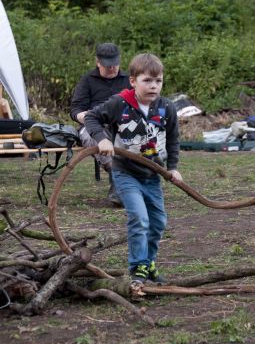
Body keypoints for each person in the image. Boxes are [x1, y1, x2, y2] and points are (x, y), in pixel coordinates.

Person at [85, 53, 182, 283]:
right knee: (139, 218)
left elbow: (173, 140)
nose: (153, 86)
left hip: (153, 174)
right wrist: (102, 139)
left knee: (158, 223)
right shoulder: (120, 103)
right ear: (133, 81)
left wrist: (174, 167)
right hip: (126, 172)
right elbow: (91, 118)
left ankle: (148, 264)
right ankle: (137, 267)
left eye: (158, 81)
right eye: (147, 81)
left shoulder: (167, 107)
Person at [70, 43, 131, 205]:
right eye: (107, 64)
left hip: (122, 124)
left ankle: (128, 184)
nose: (112, 68)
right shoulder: (87, 80)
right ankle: (117, 177)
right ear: (98, 62)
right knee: (93, 137)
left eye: (115, 64)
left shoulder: (129, 80)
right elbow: (75, 109)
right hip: (92, 124)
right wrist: (83, 116)